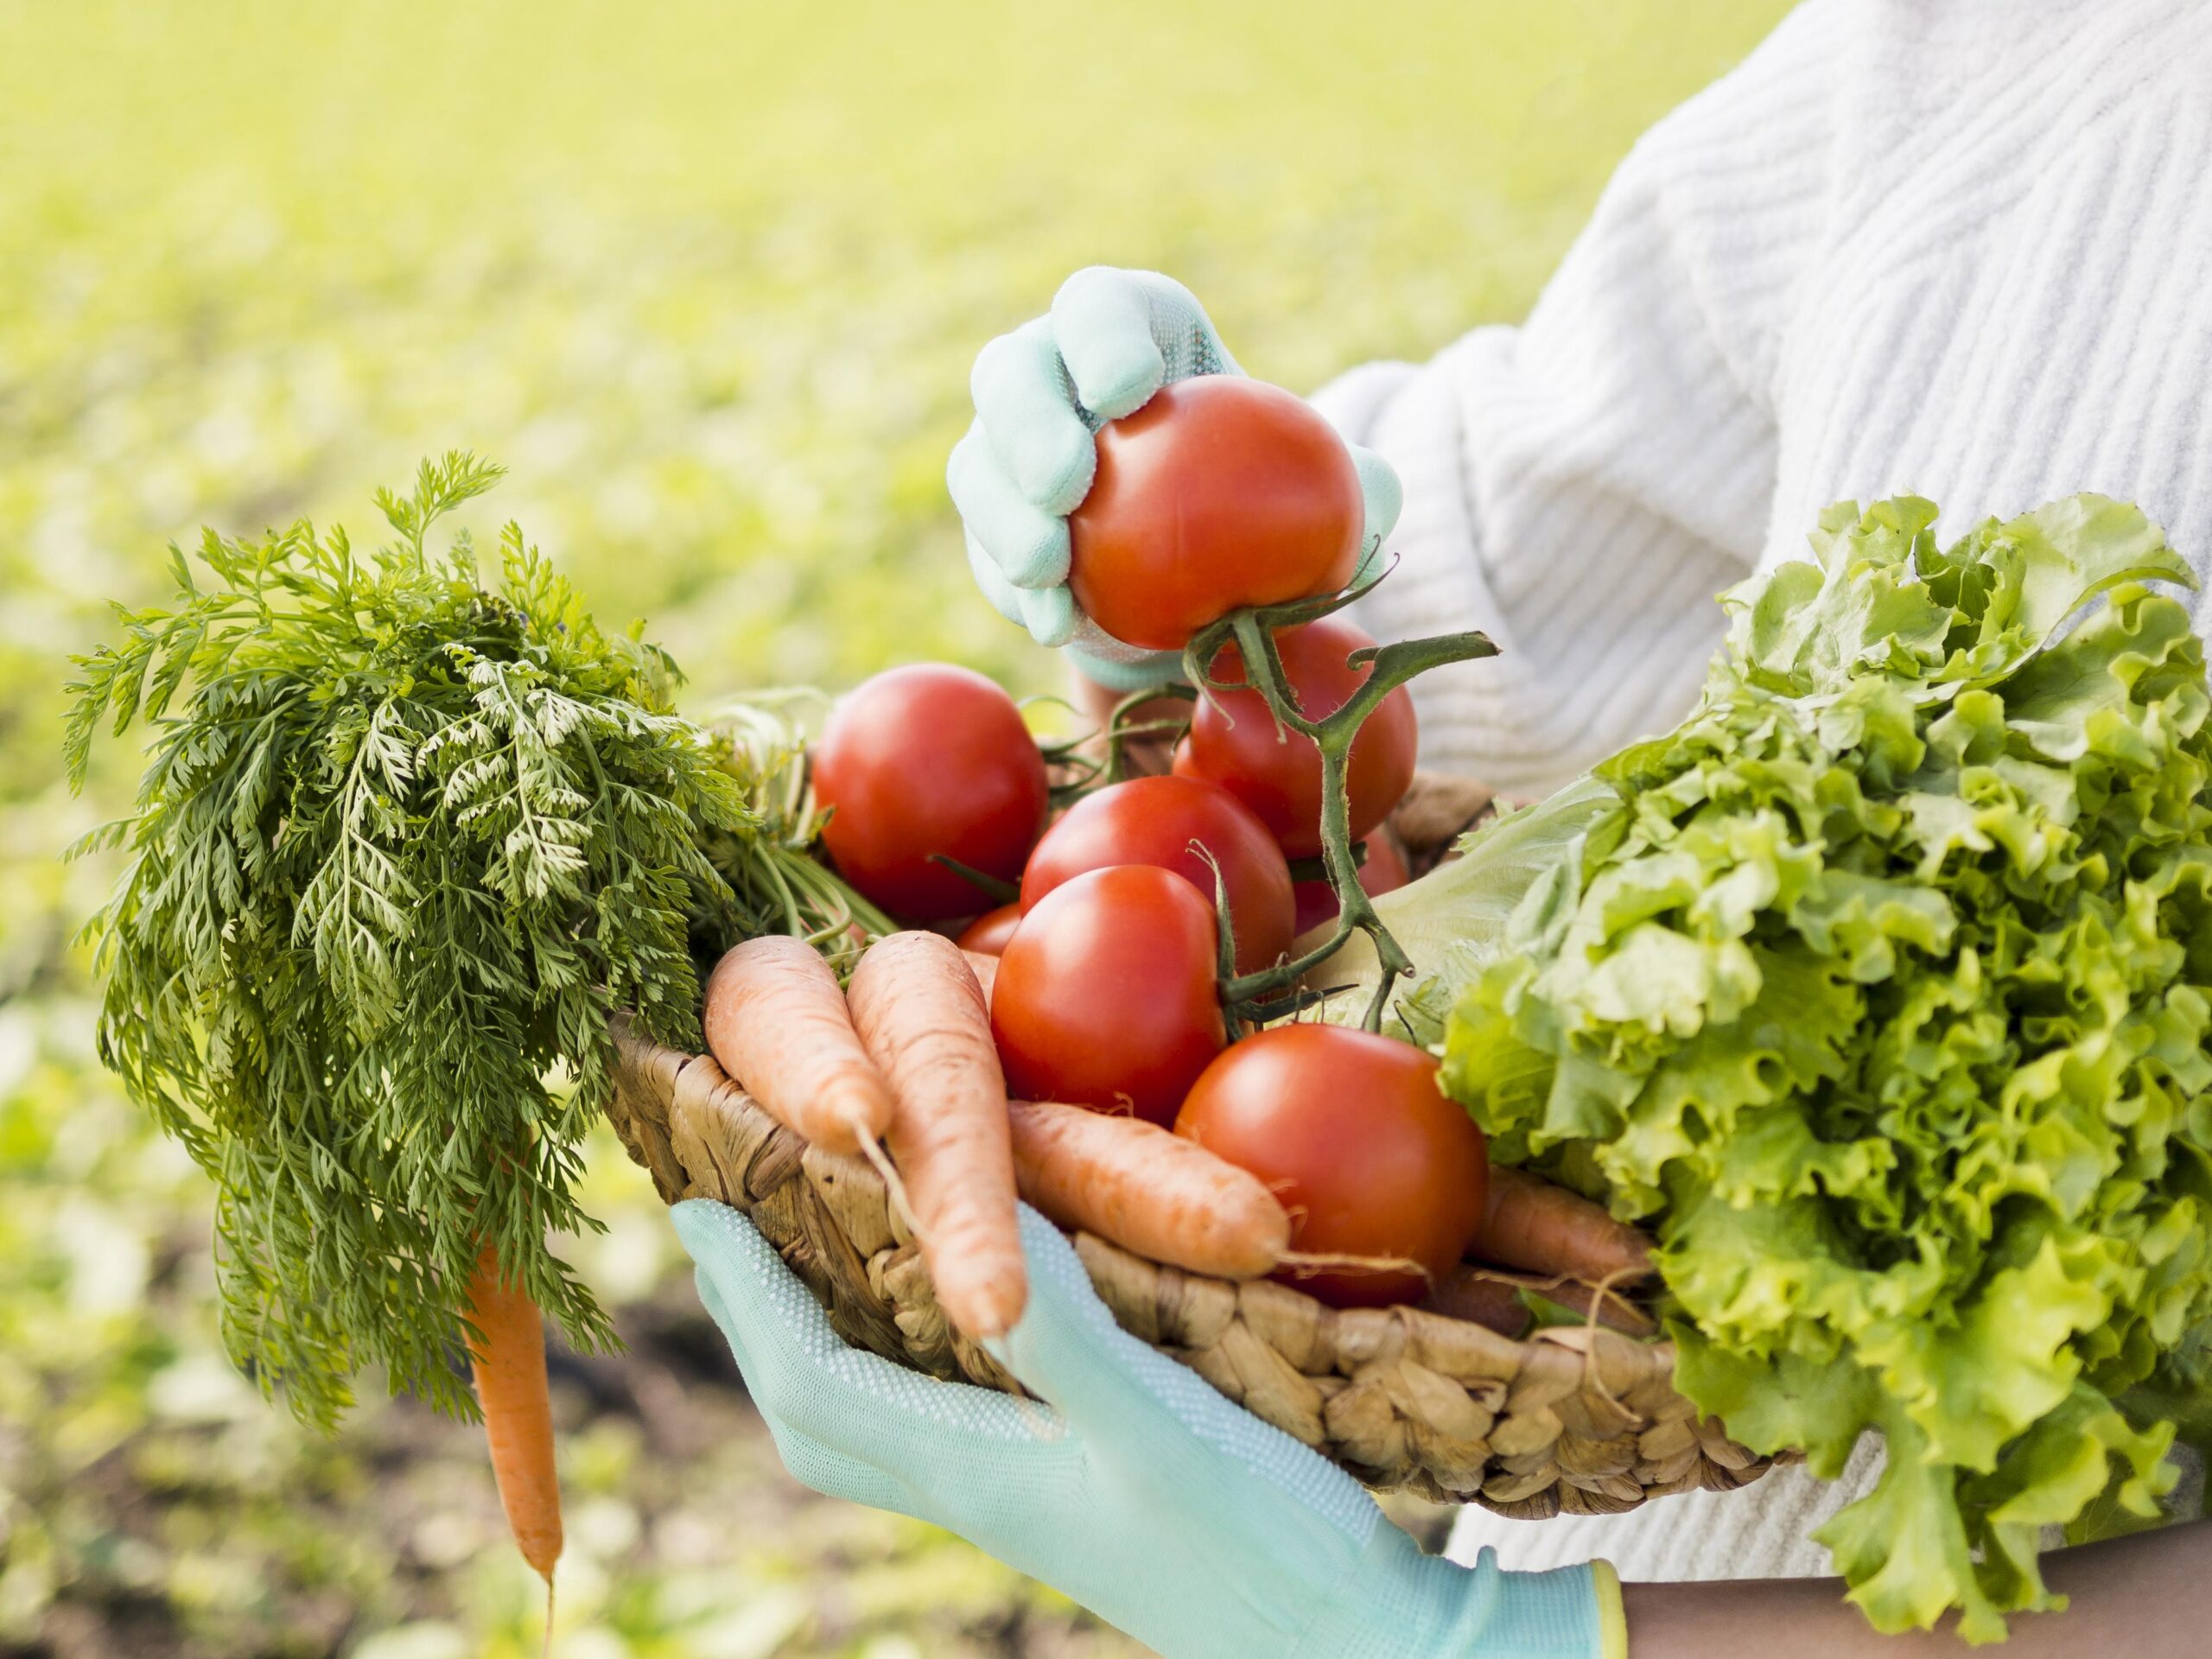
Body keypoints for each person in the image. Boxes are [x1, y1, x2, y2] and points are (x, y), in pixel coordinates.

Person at [677, 1, 2212, 1651]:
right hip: (1600, 1511)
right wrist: (1209, 607)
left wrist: (1485, 1644)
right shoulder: (1982, 47)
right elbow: (1544, 554)